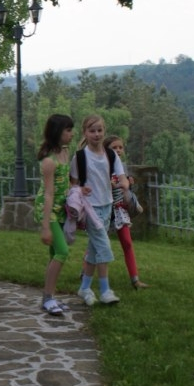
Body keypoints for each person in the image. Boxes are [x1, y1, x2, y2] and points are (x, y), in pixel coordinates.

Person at [70, 114, 131, 306]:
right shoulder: (80, 157)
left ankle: (85, 288)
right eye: (92, 131)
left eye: (99, 130)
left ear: (104, 131)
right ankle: (105, 291)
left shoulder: (111, 155)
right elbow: (73, 184)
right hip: (90, 208)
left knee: (94, 249)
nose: (96, 134)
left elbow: (122, 177)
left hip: (107, 205)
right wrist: (80, 189)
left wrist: (124, 184)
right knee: (104, 247)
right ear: (85, 133)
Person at [34, 114, 75, 316]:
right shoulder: (49, 161)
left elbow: (68, 182)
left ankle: (50, 296)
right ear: (57, 132)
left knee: (54, 255)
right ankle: (47, 298)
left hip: (60, 209)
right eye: (68, 130)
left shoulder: (65, 153)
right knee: (62, 252)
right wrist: (45, 226)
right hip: (48, 209)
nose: (71, 134)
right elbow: (49, 194)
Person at [105, 135, 149, 290]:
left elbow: (125, 189)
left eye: (120, 147)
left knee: (127, 243)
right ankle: (85, 273)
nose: (118, 150)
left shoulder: (122, 167)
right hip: (104, 209)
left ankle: (135, 280)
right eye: (114, 148)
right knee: (98, 242)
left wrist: (129, 184)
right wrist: (109, 184)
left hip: (119, 210)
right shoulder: (103, 165)